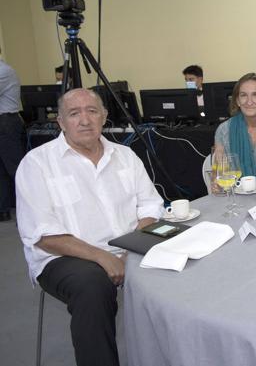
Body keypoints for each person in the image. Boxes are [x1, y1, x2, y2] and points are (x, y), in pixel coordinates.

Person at [16, 88, 164, 366]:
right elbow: (44, 234)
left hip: (128, 247)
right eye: (74, 113)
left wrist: (130, 249)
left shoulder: (126, 156)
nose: (84, 120)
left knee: (182, 262)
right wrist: (103, 257)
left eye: (92, 111)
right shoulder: (36, 164)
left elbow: (150, 207)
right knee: (93, 286)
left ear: (104, 117)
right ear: (60, 121)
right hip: (65, 257)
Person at [0, 48, 25, 222]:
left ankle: (30, 209)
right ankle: (2, 209)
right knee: (1, 170)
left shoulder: (3, 71)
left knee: (15, 169)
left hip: (6, 122)